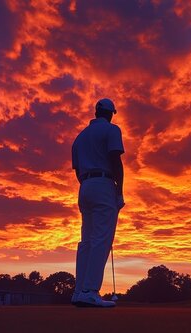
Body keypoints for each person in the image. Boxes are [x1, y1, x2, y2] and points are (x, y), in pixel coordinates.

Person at [71, 98, 125, 307]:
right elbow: (115, 160)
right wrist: (119, 192)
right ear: (111, 113)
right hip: (104, 184)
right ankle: (90, 290)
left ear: (96, 112)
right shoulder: (112, 130)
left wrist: (88, 185)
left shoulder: (80, 137)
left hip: (84, 186)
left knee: (87, 240)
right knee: (101, 239)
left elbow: (77, 170)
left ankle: (79, 291)